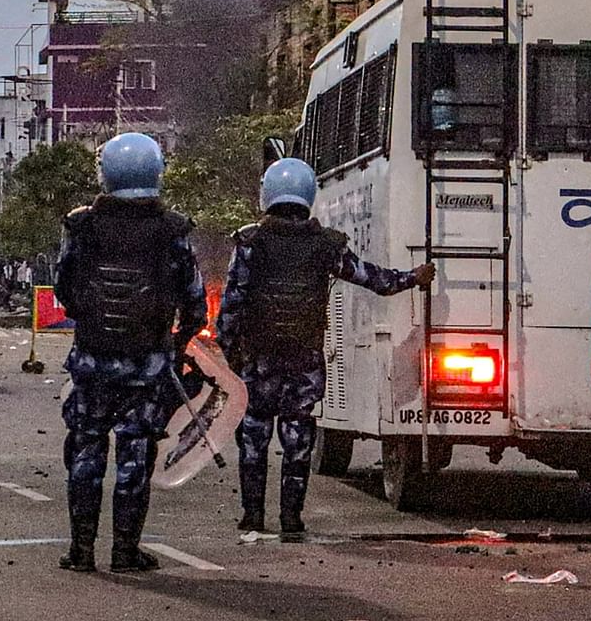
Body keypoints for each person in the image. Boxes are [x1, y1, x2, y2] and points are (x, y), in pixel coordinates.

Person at [217, 158, 432, 538]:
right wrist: (412, 278)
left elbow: (231, 308)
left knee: (254, 440)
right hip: (304, 361)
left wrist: (233, 357)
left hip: (259, 363)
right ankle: (291, 519)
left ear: (267, 194)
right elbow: (372, 279)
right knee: (298, 441)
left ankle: (252, 517)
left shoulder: (249, 243)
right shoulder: (326, 246)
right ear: (309, 196)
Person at [55, 132, 206, 573]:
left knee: (85, 453)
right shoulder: (173, 230)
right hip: (147, 365)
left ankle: (81, 551)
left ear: (105, 174)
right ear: (157, 173)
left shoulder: (81, 226)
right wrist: (177, 344)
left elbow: (65, 288)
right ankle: (125, 551)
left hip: (91, 362)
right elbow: (195, 300)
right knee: (135, 456)